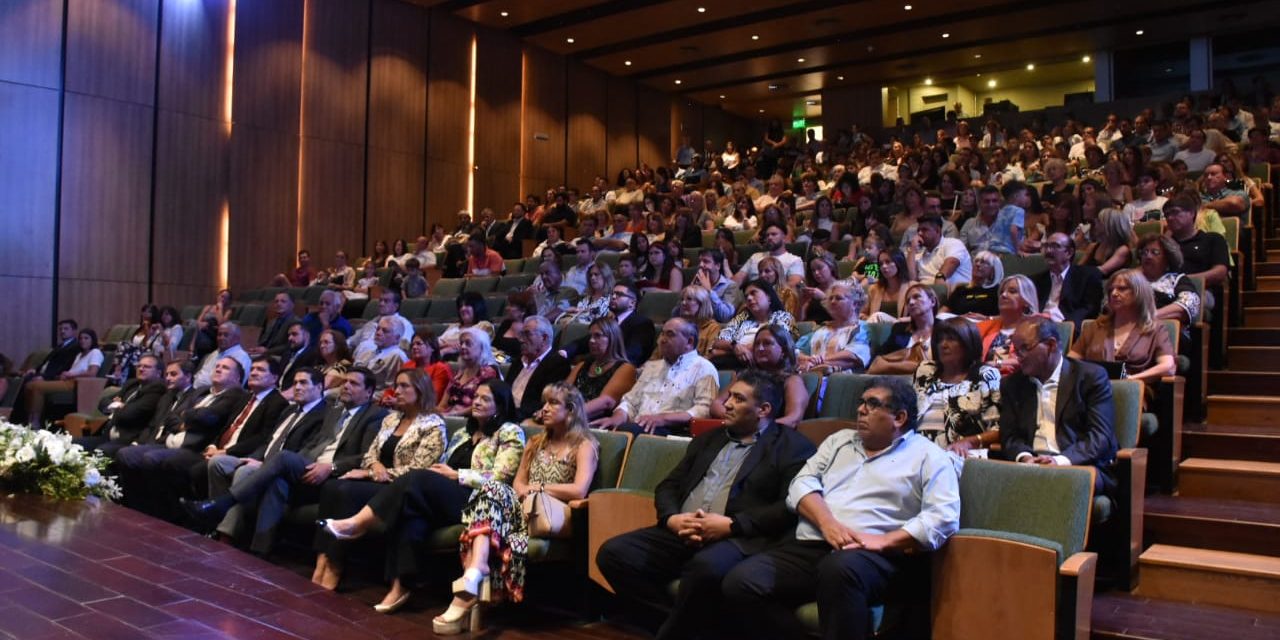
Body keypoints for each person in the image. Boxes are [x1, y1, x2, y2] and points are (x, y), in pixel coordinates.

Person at [721, 375, 961, 640]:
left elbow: (943, 517)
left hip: (875, 557)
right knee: (740, 582)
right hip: (814, 545)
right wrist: (828, 524)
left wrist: (883, 541)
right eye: (861, 402)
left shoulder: (929, 456)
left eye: (872, 404)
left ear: (899, 417)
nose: (860, 410)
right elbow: (801, 484)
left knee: (839, 570)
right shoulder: (839, 441)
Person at [596, 371, 817, 640]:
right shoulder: (710, 439)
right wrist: (671, 519)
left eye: (738, 398)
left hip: (738, 536)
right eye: (730, 396)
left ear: (764, 409)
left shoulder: (793, 447)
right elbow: (669, 486)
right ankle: (687, 626)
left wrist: (732, 525)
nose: (727, 404)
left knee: (706, 567)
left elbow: (789, 504)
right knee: (614, 554)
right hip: (683, 528)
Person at [316, 380, 524, 612]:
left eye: (485, 399)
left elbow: (502, 477)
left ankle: (357, 523)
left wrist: (457, 475)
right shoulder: (463, 434)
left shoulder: (510, 431)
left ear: (500, 405)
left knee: (417, 478)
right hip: (446, 496)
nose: (476, 401)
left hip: (478, 500)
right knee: (411, 512)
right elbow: (441, 466)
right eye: (476, 396)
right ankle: (400, 585)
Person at [430, 383, 598, 634]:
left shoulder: (584, 445)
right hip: (522, 511)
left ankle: (469, 587)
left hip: (554, 515)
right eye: (544, 403)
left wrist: (537, 488)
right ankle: (477, 570)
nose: (544, 409)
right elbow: (518, 483)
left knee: (490, 499)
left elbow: (578, 490)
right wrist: (525, 490)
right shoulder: (535, 442)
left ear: (571, 410)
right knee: (492, 490)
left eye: (553, 403)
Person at [185, 367, 387, 556]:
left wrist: (331, 467)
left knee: (282, 458)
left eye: (354, 383)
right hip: (308, 465)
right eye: (345, 382)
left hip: (335, 475)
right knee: (277, 481)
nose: (346, 386)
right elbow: (314, 444)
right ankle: (259, 550)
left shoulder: (375, 416)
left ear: (369, 392)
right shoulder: (335, 412)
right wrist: (302, 461)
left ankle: (223, 503)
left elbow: (366, 455)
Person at [313, 368, 449, 587]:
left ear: (421, 390)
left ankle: (335, 563)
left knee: (346, 491)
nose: (397, 391)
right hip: (377, 478)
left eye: (405, 386)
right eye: (397, 385)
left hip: (398, 488)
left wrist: (372, 473)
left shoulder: (433, 424)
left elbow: (420, 469)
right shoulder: (391, 419)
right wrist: (374, 466)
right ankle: (323, 558)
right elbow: (370, 454)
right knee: (332, 486)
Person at [185, 367, 328, 536]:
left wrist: (263, 463)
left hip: (280, 469)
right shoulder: (290, 410)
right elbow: (268, 442)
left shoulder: (323, 415)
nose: (297, 387)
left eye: (303, 383)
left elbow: (303, 452)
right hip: (261, 460)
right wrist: (252, 458)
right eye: (295, 382)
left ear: (319, 387)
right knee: (218, 462)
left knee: (244, 471)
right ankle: (214, 518)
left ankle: (226, 534)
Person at [1000, 316, 1118, 492]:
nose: (1019, 357)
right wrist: (1024, 457)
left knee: (1051, 486)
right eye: (1016, 351)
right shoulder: (1013, 384)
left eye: (1025, 348)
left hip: (1079, 465)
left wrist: (1059, 461)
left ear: (1051, 345)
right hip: (1031, 466)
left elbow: (1100, 437)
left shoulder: (1090, 378)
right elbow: (1010, 436)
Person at [593, 318, 719, 437]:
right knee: (598, 428)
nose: (662, 339)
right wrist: (616, 419)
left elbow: (704, 410)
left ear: (689, 342)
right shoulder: (651, 367)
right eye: (662, 334)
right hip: (639, 425)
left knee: (629, 430)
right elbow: (630, 402)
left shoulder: (704, 368)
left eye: (670, 334)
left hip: (673, 430)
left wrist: (663, 419)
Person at [1069, 269, 1177, 399]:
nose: (1114, 293)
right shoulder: (1095, 327)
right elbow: (1070, 363)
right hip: (1092, 392)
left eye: (1122, 289)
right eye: (1111, 290)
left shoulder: (1155, 329)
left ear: (1139, 293)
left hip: (1130, 394)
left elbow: (1167, 367)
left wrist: (1131, 380)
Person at [913, 318, 1002, 455]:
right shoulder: (925, 371)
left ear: (968, 343)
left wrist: (969, 442)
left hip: (961, 454)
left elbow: (999, 429)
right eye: (940, 340)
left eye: (951, 339)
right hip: (918, 450)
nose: (943, 345)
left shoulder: (985, 375)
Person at [711, 325, 809, 428]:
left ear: (783, 351)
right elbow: (716, 404)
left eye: (767, 343)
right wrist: (737, 421)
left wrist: (756, 428)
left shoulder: (792, 380)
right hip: (736, 430)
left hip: (770, 438)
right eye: (757, 344)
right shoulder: (745, 375)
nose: (760, 348)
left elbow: (793, 419)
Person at [73, 354, 166, 456]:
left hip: (128, 440)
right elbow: (103, 402)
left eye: (147, 367)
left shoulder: (157, 390)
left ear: (158, 372)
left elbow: (130, 414)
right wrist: (119, 405)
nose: (141, 369)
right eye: (139, 366)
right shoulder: (132, 384)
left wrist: (118, 406)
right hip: (107, 436)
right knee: (73, 444)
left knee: (100, 451)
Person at [22, 328, 104, 428]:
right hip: (66, 380)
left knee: (36, 386)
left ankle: (35, 421)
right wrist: (63, 375)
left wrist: (71, 375)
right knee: (29, 385)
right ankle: (29, 418)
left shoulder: (95, 352)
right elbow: (72, 371)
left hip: (77, 384)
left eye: (86, 338)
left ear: (93, 340)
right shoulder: (79, 354)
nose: (83, 341)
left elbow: (92, 373)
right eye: (81, 338)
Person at [710, 279, 796, 369]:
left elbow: (772, 346)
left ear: (769, 297)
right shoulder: (741, 318)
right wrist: (735, 346)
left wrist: (724, 352)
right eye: (746, 296)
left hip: (765, 365)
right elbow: (717, 342)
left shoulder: (784, 317)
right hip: (735, 363)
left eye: (753, 293)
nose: (749, 298)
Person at [567, 317, 638, 420]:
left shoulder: (625, 368)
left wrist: (567, 414)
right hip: (568, 417)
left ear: (612, 338)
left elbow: (606, 402)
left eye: (598, 336)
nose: (591, 341)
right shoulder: (582, 365)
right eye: (590, 336)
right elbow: (563, 392)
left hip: (595, 422)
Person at [1034, 232, 1103, 332]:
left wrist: (1064, 327)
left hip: (1066, 328)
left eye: (1055, 246)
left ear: (1069, 253)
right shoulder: (1037, 280)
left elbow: (1089, 309)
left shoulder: (1087, 276)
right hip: (1037, 327)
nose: (1048, 251)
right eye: (1046, 246)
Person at [506, 316, 572, 421]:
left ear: (544, 338)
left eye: (527, 334)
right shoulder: (518, 362)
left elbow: (544, 402)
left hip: (524, 418)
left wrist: (509, 415)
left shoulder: (557, 363)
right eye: (521, 334)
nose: (521, 339)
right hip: (506, 414)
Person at [798, 281, 871, 374]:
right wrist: (808, 359)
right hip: (813, 377)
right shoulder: (821, 329)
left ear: (855, 304)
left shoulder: (862, 328)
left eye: (838, 298)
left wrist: (820, 361)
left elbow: (853, 356)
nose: (832, 301)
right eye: (830, 298)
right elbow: (796, 351)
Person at [1136, 234, 1201, 335]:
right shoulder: (1130, 279)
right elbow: (1108, 306)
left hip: (1165, 334)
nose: (1148, 256)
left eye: (1155, 252)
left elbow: (1186, 306)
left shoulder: (1178, 280)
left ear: (1168, 258)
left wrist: (1148, 318)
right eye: (1145, 252)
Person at [976, 275, 1041, 375]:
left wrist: (997, 363)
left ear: (1026, 301)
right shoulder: (984, 327)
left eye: (1012, 291)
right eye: (1001, 292)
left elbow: (1032, 360)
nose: (1004, 295)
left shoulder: (1035, 327)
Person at [868, 283, 939, 375]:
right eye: (908, 300)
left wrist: (890, 366)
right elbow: (877, 361)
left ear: (932, 301)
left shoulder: (945, 329)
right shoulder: (900, 329)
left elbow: (940, 366)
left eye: (917, 297)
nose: (911, 303)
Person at [438, 328, 502, 416]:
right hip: (450, 418)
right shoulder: (459, 373)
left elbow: (483, 405)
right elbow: (443, 404)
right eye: (461, 343)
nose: (463, 346)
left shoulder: (489, 372)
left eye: (468, 343)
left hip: (472, 420)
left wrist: (454, 414)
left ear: (481, 347)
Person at [906, 215, 972, 289]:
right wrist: (912, 249)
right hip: (927, 295)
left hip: (955, 292)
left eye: (924, 230)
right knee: (909, 285)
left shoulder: (952, 243)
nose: (920, 233)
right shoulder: (919, 255)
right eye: (918, 230)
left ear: (938, 231)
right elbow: (912, 278)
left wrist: (939, 280)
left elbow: (952, 262)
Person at [733, 222, 805, 287]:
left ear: (784, 237)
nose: (769, 238)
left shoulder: (794, 260)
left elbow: (794, 285)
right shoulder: (755, 257)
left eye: (774, 234)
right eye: (767, 235)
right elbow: (737, 281)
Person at [350, 291, 415, 360]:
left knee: (367, 345)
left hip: (384, 360)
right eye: (380, 300)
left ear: (396, 306)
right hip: (361, 360)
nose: (381, 304)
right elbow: (352, 341)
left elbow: (405, 348)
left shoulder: (404, 324)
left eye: (386, 301)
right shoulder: (373, 322)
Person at [108, 304, 162, 384]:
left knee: (124, 347)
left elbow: (148, 345)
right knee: (126, 355)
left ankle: (117, 372)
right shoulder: (139, 329)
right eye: (144, 311)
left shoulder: (156, 329)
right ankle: (120, 379)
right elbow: (132, 344)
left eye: (149, 312)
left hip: (149, 354)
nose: (145, 314)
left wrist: (148, 332)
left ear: (154, 314)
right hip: (135, 354)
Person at [353, 317, 408, 392]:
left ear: (397, 338)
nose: (378, 333)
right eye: (378, 329)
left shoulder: (396, 355)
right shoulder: (369, 351)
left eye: (385, 331)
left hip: (372, 397)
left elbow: (392, 388)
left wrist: (368, 396)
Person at [944, 250, 1004, 318]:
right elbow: (943, 312)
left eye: (984, 262)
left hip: (986, 325)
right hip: (958, 325)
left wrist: (987, 318)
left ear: (993, 271)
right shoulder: (960, 289)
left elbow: (1009, 316)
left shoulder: (999, 291)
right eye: (976, 261)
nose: (978, 264)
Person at [399, 330, 453, 404]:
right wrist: (387, 397)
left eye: (418, 344)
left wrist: (401, 400)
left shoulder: (441, 368)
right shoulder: (407, 365)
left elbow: (433, 398)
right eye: (412, 345)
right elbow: (395, 388)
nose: (414, 347)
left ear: (432, 347)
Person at [436, 293, 495, 359]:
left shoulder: (485, 325)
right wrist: (448, 345)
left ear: (477, 307)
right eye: (461, 306)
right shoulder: (453, 326)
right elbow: (434, 344)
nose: (463, 309)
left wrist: (444, 349)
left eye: (467, 305)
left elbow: (472, 345)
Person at [1079, 208, 1135, 276]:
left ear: (1110, 226)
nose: (1095, 223)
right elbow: (1079, 268)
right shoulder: (1093, 246)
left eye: (1099, 221)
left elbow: (1103, 270)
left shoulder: (1123, 250)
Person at [558, 262, 613, 327]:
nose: (592, 278)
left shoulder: (611, 299)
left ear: (605, 276)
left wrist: (581, 311)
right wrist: (573, 311)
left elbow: (602, 319)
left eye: (596, 274)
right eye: (591, 275)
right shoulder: (586, 298)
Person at [674, 285, 722, 357]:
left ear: (702, 303)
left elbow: (708, 356)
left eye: (689, 299)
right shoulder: (675, 325)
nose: (683, 303)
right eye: (682, 299)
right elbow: (657, 355)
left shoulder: (712, 328)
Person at [863, 249, 910, 321]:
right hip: (878, 328)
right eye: (881, 264)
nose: (884, 266)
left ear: (899, 262)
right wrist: (868, 319)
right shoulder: (874, 289)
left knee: (878, 315)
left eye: (888, 262)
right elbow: (862, 314)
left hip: (901, 328)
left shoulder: (912, 288)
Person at [277, 322, 322, 391]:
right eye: (289, 335)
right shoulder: (287, 353)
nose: (290, 338)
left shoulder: (313, 355)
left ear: (307, 336)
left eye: (294, 334)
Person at [254, 292, 300, 357]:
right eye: (276, 301)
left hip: (280, 356)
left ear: (292, 305)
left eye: (283, 301)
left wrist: (267, 351)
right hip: (265, 354)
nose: (279, 304)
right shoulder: (272, 322)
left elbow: (290, 346)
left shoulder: (296, 323)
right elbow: (263, 340)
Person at [316, 329, 354, 395]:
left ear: (337, 345)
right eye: (320, 343)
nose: (321, 346)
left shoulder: (344, 364)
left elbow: (322, 386)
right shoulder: (321, 366)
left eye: (326, 342)